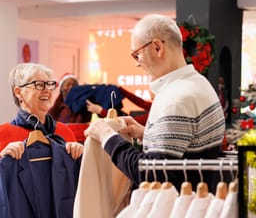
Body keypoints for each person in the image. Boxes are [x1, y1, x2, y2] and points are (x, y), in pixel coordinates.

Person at [84, 14, 225, 190]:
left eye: (136, 55)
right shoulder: (199, 83)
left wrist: (107, 136)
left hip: (175, 210)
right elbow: (188, 148)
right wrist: (147, 134)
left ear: (157, 47)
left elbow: (152, 174)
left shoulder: (176, 98)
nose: (137, 64)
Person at [0, 63, 84, 204]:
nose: (48, 90)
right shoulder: (1, 134)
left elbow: (81, 187)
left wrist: (81, 158)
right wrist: (0, 159)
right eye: (39, 84)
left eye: (50, 84)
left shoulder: (64, 132)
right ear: (19, 92)